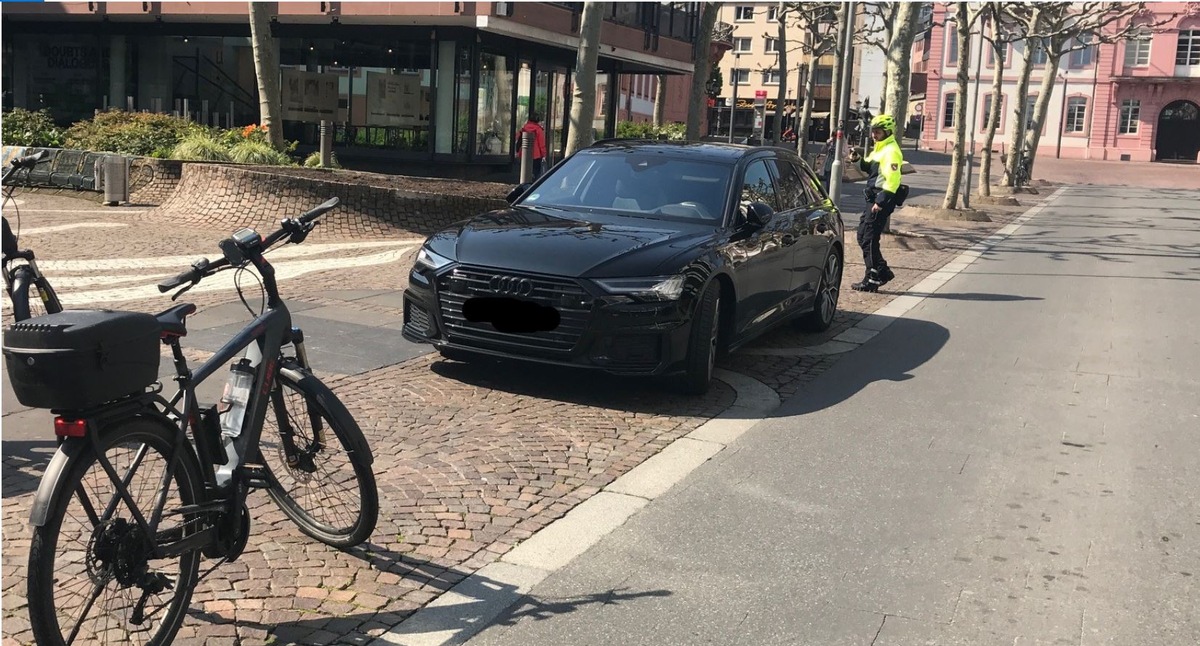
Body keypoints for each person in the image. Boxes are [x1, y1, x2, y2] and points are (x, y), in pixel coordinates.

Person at [846, 113, 904, 293]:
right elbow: (868, 167)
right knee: (862, 236)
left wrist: (880, 201)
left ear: (887, 132)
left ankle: (872, 277)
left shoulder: (892, 151)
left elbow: (893, 179)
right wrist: (857, 159)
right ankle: (882, 271)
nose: (874, 135)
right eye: (873, 132)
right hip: (872, 198)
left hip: (880, 199)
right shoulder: (879, 148)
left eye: (878, 132)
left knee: (870, 238)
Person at [516, 113, 547, 178]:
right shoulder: (538, 129)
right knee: (536, 174)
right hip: (536, 155)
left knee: (524, 172)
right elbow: (541, 143)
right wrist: (544, 154)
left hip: (524, 154)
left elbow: (517, 137)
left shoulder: (524, 128)